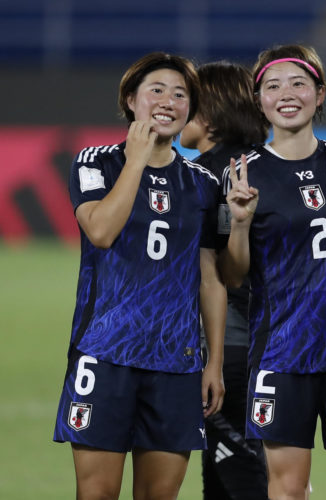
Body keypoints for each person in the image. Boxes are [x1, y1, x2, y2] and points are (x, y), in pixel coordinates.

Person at [53, 52, 226, 499]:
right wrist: (137, 159)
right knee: (97, 494)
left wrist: (215, 363)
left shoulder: (204, 184)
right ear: (131, 100)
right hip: (105, 354)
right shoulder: (96, 162)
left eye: (181, 94)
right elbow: (101, 231)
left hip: (176, 362)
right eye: (157, 90)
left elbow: (211, 278)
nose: (169, 100)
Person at [222, 44, 326, 500]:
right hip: (281, 351)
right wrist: (239, 224)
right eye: (272, 86)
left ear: (320, 92)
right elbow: (233, 276)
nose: (286, 94)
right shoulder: (243, 174)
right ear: (259, 100)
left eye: (298, 83)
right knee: (289, 489)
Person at [180, 60, 268, 500]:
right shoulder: (268, 165)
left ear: (210, 114)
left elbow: (213, 271)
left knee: (240, 475)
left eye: (189, 103)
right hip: (270, 343)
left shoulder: (205, 177)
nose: (180, 112)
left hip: (230, 346)